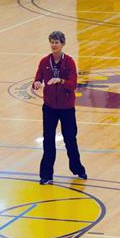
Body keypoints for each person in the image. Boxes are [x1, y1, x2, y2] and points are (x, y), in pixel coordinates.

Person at [32, 31, 87, 185]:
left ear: (63, 44)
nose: (54, 45)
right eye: (52, 42)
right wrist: (36, 83)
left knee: (70, 139)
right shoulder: (44, 62)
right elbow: (37, 78)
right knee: (48, 140)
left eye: (56, 42)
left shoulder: (69, 62)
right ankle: (46, 174)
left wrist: (61, 80)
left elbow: (73, 85)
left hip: (66, 108)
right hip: (49, 107)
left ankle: (78, 169)